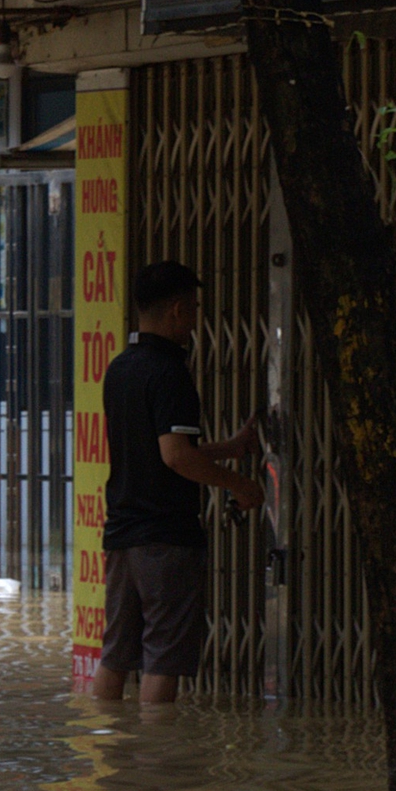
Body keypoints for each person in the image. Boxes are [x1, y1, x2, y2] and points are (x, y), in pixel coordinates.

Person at [95, 261, 261, 705]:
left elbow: (155, 449)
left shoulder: (121, 368)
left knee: (115, 654)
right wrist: (238, 485)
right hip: (165, 539)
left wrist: (228, 448)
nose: (195, 319)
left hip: (122, 535)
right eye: (193, 309)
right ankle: (157, 764)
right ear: (176, 310)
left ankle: (110, 757)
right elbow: (175, 456)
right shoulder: (169, 372)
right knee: (163, 657)